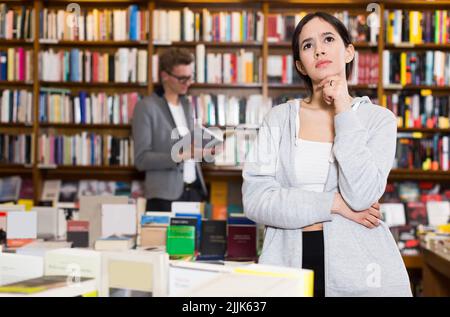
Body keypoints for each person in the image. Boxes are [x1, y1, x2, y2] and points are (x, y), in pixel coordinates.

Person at [242, 12, 411, 297]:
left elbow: (361, 196)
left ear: (348, 52)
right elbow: (256, 201)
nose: (318, 49)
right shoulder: (277, 119)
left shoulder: (378, 120)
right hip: (287, 270)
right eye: (307, 46)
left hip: (360, 273)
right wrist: (334, 204)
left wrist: (343, 108)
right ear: (301, 65)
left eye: (328, 39)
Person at [132, 48, 210, 211]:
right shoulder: (146, 107)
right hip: (164, 197)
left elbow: (191, 149)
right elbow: (141, 159)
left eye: (190, 77)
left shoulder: (188, 105)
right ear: (165, 76)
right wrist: (179, 156)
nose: (188, 83)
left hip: (194, 192)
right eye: (182, 78)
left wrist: (207, 150)